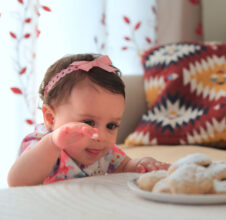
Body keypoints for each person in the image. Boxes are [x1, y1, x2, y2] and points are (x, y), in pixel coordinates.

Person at [7, 54, 170, 186]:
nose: (100, 136)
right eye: (89, 123)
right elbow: (17, 182)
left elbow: (125, 167)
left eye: (111, 125)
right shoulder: (42, 146)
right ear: (50, 118)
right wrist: (52, 143)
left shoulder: (104, 153)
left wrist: (143, 164)